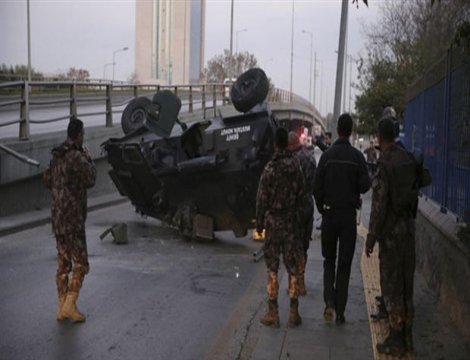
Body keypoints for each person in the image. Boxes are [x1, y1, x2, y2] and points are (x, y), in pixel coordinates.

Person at [313, 113, 371, 324]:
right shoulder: (357, 157)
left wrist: (322, 209)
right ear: (351, 131)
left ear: (337, 130)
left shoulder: (327, 157)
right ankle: (341, 310)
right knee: (345, 263)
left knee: (329, 260)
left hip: (329, 214)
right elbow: (365, 185)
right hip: (348, 216)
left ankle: (329, 301)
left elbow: (316, 187)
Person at [44, 118, 96, 322]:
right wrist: (89, 159)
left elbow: (47, 180)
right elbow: (91, 178)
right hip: (73, 219)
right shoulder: (76, 156)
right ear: (79, 135)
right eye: (83, 133)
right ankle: (70, 304)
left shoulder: (57, 155)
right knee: (81, 262)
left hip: (57, 219)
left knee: (63, 263)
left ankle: (61, 306)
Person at [256, 127, 305, 328]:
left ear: (275, 144)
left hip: (274, 224)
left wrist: (259, 222)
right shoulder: (296, 167)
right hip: (291, 223)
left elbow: (261, 199)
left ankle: (273, 312)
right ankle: (293, 312)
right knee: (292, 267)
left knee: (272, 268)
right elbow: (303, 193)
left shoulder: (270, 169)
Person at [288, 131, 317, 296]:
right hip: (308, 206)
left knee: (294, 246)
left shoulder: (293, 160)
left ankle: (297, 283)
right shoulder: (310, 157)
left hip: (296, 208)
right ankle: (301, 280)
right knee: (304, 245)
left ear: (291, 145)